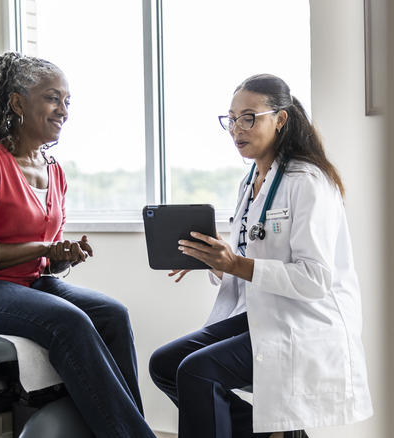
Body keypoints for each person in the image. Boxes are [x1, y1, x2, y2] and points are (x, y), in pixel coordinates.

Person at [0, 52, 156, 438]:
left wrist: (60, 257)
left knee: (113, 314)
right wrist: (42, 249)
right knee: (68, 321)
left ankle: (127, 427)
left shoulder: (55, 171)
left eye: (67, 101)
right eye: (53, 98)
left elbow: (45, 260)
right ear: (18, 102)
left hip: (28, 282)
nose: (63, 110)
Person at [149, 74, 374, 438]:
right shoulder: (251, 180)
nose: (237, 129)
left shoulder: (307, 182)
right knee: (165, 363)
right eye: (232, 119)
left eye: (249, 117)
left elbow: (315, 278)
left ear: (280, 119)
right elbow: (249, 259)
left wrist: (234, 263)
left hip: (304, 320)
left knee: (196, 371)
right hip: (263, 311)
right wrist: (213, 259)